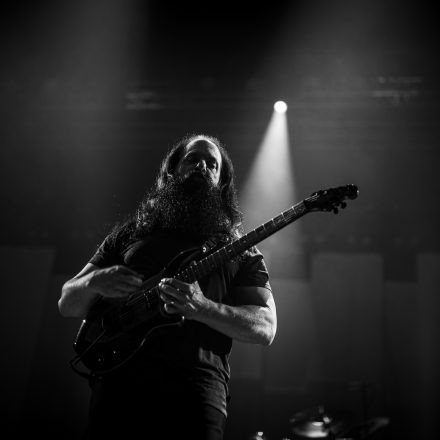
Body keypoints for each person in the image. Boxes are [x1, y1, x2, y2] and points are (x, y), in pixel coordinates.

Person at [58, 134, 277, 440]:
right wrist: (95, 281)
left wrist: (203, 308)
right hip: (119, 386)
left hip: (196, 393)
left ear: (222, 182)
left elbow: (265, 327)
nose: (202, 166)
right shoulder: (131, 234)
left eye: (212, 164)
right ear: (172, 171)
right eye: (193, 159)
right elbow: (67, 303)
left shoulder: (241, 250)